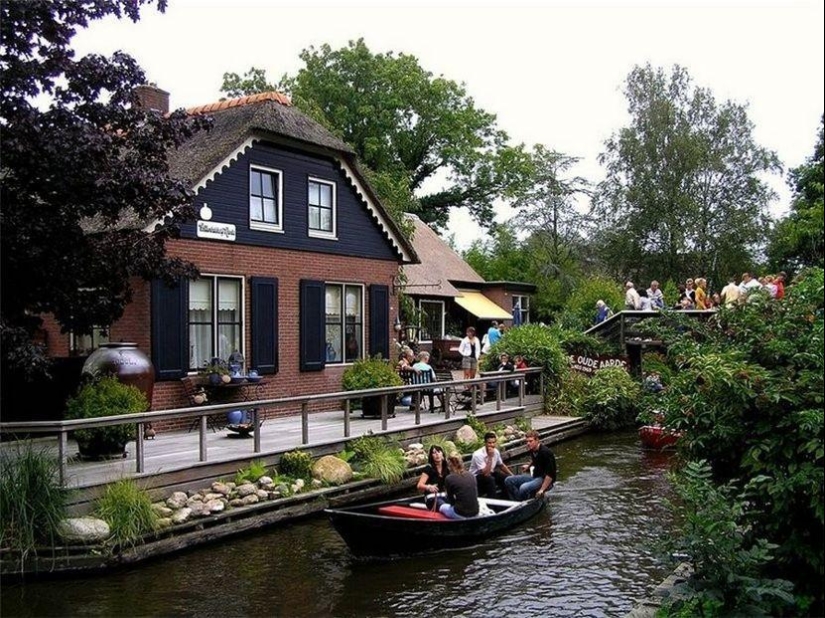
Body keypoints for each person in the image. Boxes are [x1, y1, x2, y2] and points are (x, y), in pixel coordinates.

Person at [504, 430, 557, 501]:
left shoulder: (546, 453)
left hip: (543, 479)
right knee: (508, 480)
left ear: (537, 440)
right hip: (535, 475)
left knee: (523, 487)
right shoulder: (532, 449)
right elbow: (535, 459)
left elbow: (550, 474)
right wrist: (528, 466)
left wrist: (541, 490)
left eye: (530, 441)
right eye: (527, 441)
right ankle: (518, 500)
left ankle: (523, 502)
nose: (528, 443)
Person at [469, 432, 514, 498]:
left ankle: (506, 499)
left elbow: (501, 465)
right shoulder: (478, 455)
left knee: (503, 477)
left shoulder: (496, 452)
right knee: (490, 479)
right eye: (489, 443)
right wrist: (490, 457)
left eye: (493, 442)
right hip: (476, 478)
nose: (492, 445)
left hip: (489, 474)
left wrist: (512, 476)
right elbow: (486, 473)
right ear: (485, 443)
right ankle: (493, 504)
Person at [439, 452, 480, 520]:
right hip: (476, 512)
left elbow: (451, 501)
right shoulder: (471, 475)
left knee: (442, 506)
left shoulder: (449, 478)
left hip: (461, 514)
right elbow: (475, 494)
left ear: (450, 464)